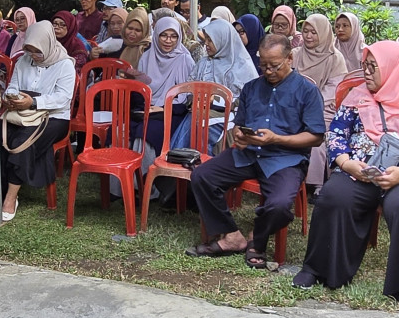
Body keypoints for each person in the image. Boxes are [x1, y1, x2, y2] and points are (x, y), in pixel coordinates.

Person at [295, 41, 399, 318]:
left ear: (394, 69)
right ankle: (319, 269)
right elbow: (337, 133)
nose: (366, 72)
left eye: (373, 66)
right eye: (365, 65)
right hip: (361, 171)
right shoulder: (358, 96)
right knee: (333, 196)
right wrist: (346, 163)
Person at [186, 34, 325, 269]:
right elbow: (239, 123)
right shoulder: (252, 88)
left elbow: (316, 136)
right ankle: (230, 236)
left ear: (290, 58)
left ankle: (256, 240)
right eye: (263, 65)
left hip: (285, 158)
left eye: (274, 66)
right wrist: (240, 136)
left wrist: (277, 138)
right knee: (201, 176)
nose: (268, 71)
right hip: (249, 153)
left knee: (280, 205)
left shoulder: (307, 91)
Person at [0, 21, 76, 221]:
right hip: (22, 113)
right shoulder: (23, 61)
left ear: (47, 44)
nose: (33, 56)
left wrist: (34, 102)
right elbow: (13, 85)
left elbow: (63, 98)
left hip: (53, 117)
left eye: (37, 51)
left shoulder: (64, 64)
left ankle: (10, 197)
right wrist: (10, 98)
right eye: (29, 50)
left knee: (21, 142)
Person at [128, 17, 194, 186]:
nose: (168, 40)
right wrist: (146, 106)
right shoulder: (147, 57)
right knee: (121, 128)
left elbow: (187, 99)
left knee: (147, 131)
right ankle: (121, 186)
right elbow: (140, 91)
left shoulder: (184, 60)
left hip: (174, 112)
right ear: (156, 35)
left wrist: (163, 109)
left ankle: (145, 187)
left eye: (173, 36)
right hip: (148, 108)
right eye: (164, 35)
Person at [295, 14, 351, 193]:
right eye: (305, 31)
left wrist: (309, 104)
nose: (308, 36)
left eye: (314, 32)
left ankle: (317, 185)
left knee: (317, 135)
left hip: (323, 108)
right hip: (294, 106)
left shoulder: (335, 58)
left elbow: (334, 91)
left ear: (324, 34)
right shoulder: (295, 54)